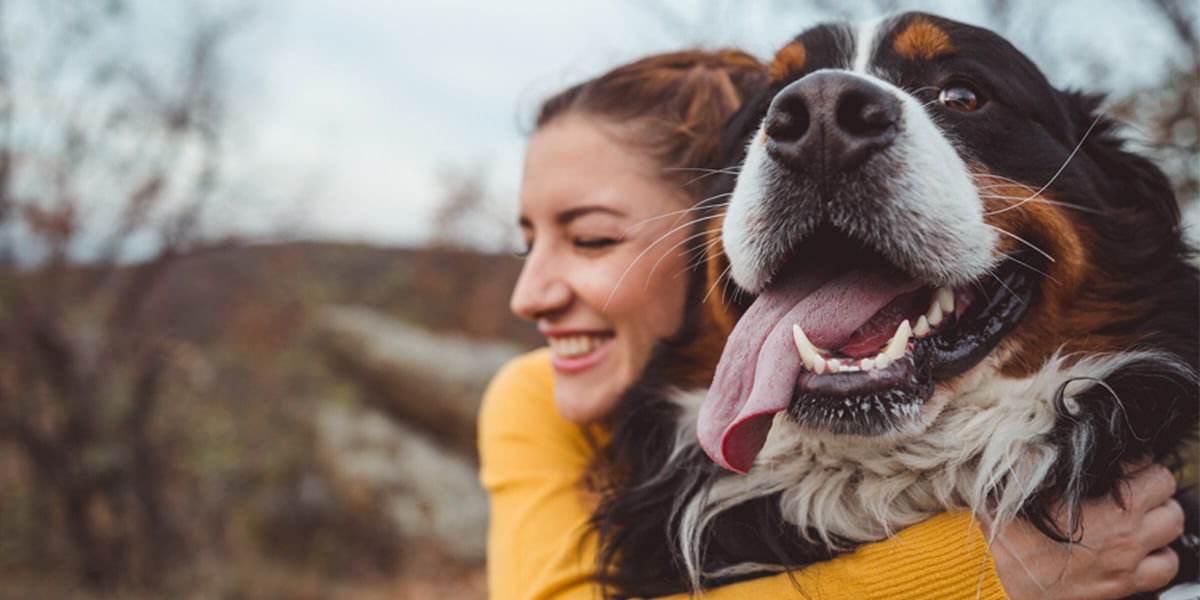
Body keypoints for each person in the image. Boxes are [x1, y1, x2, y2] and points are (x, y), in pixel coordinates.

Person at [479, 49, 1184, 600]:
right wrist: (981, 573)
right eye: (525, 242)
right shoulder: (531, 396)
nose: (527, 295)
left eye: (593, 239)